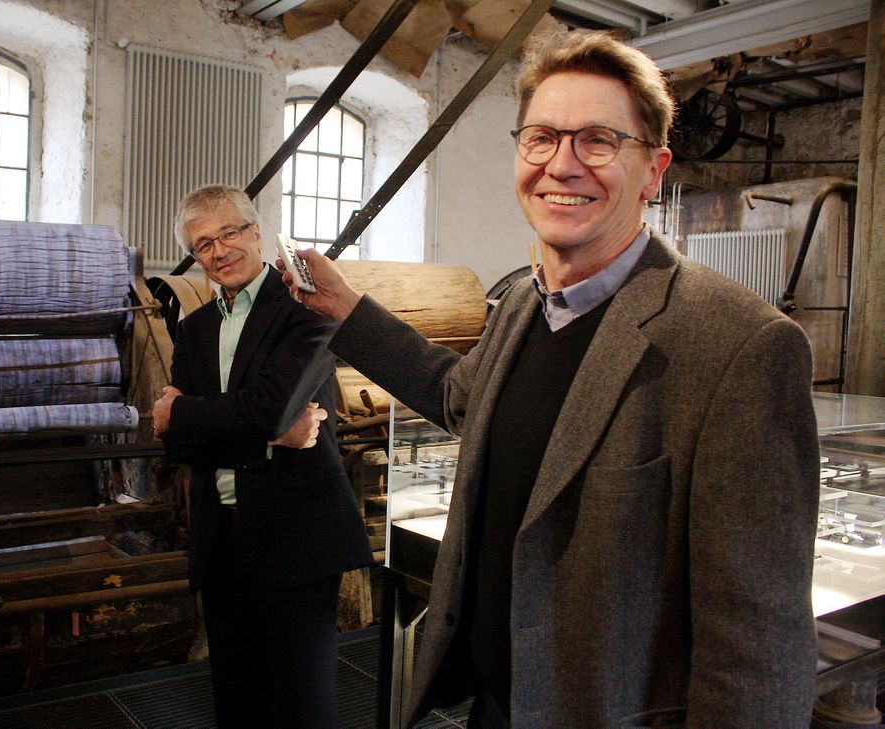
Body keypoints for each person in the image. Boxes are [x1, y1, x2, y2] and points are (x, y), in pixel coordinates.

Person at [281, 31, 820, 729]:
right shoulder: (523, 306)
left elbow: (757, 646)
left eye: (598, 141)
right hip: (495, 704)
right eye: (541, 138)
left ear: (653, 171)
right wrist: (345, 308)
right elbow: (458, 396)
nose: (561, 165)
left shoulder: (739, 345)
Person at [151, 185, 372, 728]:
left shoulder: (305, 306)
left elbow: (269, 409)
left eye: (228, 233)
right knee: (237, 699)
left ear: (255, 232)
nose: (219, 251)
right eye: (203, 244)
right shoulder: (194, 329)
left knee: (303, 704)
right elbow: (179, 443)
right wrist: (268, 436)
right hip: (221, 536)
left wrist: (183, 412)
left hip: (295, 534)